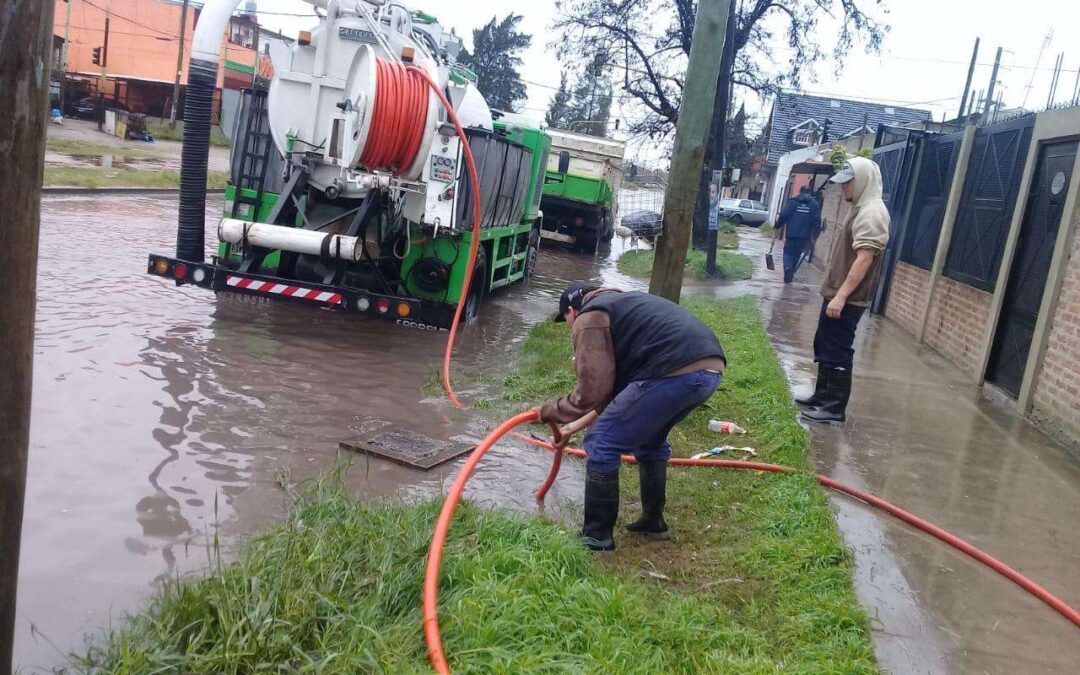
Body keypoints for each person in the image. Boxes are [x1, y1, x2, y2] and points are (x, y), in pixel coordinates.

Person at [535, 283, 727, 551]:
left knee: (601, 441)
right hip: (708, 370)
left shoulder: (590, 317)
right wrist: (572, 428)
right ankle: (652, 522)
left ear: (571, 310)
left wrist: (546, 412)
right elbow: (615, 396)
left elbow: (592, 392)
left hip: (673, 371)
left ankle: (596, 536)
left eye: (564, 319)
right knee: (649, 442)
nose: (568, 326)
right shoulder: (622, 307)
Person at [798, 157, 889, 424]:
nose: (844, 188)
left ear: (862, 182)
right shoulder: (860, 207)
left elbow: (864, 258)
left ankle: (834, 409)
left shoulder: (872, 212)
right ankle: (822, 397)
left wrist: (841, 296)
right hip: (837, 293)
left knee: (838, 348)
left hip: (848, 298)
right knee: (825, 342)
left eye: (848, 183)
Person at [775, 185, 821, 283]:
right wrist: (814, 235)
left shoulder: (792, 202)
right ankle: (791, 273)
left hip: (791, 234)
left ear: (800, 191)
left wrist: (777, 225)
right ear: (809, 192)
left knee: (787, 253)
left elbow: (783, 215)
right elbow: (816, 222)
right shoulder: (814, 205)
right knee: (796, 255)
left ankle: (787, 267)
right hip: (804, 237)